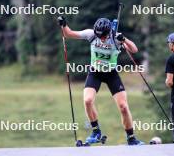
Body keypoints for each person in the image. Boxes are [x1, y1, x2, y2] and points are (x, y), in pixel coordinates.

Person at [58, 16, 144, 145]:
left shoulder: (116, 37)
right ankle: (96, 131)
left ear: (109, 32)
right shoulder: (92, 34)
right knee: (87, 100)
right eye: (99, 36)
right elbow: (69, 34)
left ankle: (131, 137)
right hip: (95, 73)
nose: (101, 39)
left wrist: (124, 40)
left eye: (104, 36)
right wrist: (63, 24)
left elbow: (134, 49)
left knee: (123, 107)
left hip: (111, 74)